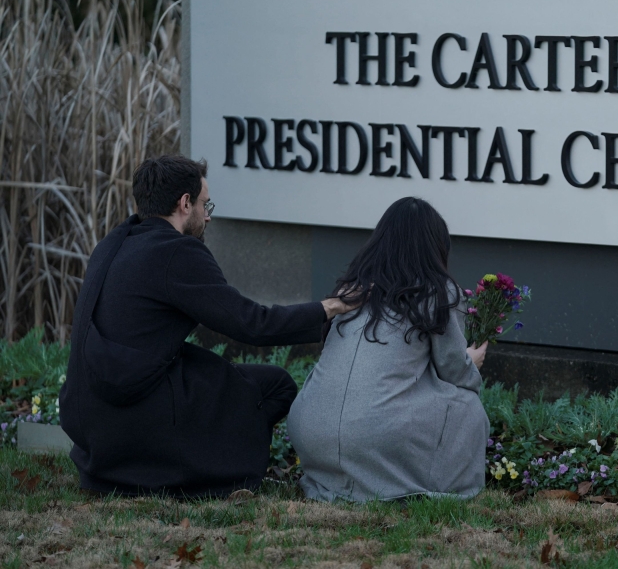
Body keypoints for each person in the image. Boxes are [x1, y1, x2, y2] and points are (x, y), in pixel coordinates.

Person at [59, 155, 351, 497]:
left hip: (89, 419)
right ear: (185, 204)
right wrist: (331, 307)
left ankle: (139, 470)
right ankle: (220, 477)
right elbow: (252, 324)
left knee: (205, 369)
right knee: (276, 385)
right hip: (130, 414)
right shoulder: (177, 252)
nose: (208, 214)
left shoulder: (113, 243)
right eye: (203, 203)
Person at [288, 197, 489, 502]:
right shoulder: (438, 290)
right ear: (436, 245)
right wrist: (471, 362)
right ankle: (429, 487)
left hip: (307, 430)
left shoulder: (349, 289)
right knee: (468, 407)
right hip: (372, 438)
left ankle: (342, 482)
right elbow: (453, 370)